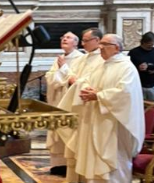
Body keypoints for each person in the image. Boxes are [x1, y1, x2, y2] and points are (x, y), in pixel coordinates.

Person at [58, 34, 144, 183]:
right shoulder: (102, 65)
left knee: (113, 161)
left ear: (116, 48)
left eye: (105, 44)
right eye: (101, 44)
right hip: (95, 119)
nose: (100, 47)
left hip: (113, 124)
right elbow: (85, 82)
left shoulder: (126, 67)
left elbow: (126, 94)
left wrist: (99, 96)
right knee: (93, 159)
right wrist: (86, 90)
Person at [60, 27, 104, 183]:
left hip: (89, 109)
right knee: (74, 148)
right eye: (83, 40)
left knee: (86, 149)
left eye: (86, 40)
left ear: (97, 41)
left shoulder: (102, 60)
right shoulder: (83, 58)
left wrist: (73, 79)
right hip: (78, 109)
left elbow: (91, 83)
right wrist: (70, 77)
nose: (83, 44)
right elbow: (73, 76)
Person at [44, 32, 83, 176]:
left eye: (68, 38)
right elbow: (50, 77)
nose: (64, 39)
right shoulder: (59, 58)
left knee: (68, 131)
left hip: (70, 101)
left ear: (76, 43)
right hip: (57, 100)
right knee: (56, 133)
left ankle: (69, 165)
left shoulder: (81, 58)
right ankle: (58, 165)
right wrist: (60, 74)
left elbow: (76, 79)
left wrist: (62, 72)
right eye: (63, 37)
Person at [129, 32, 154, 101]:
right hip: (138, 86)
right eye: (149, 44)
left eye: (153, 44)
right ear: (143, 42)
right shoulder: (133, 52)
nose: (151, 46)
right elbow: (128, 68)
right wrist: (138, 68)